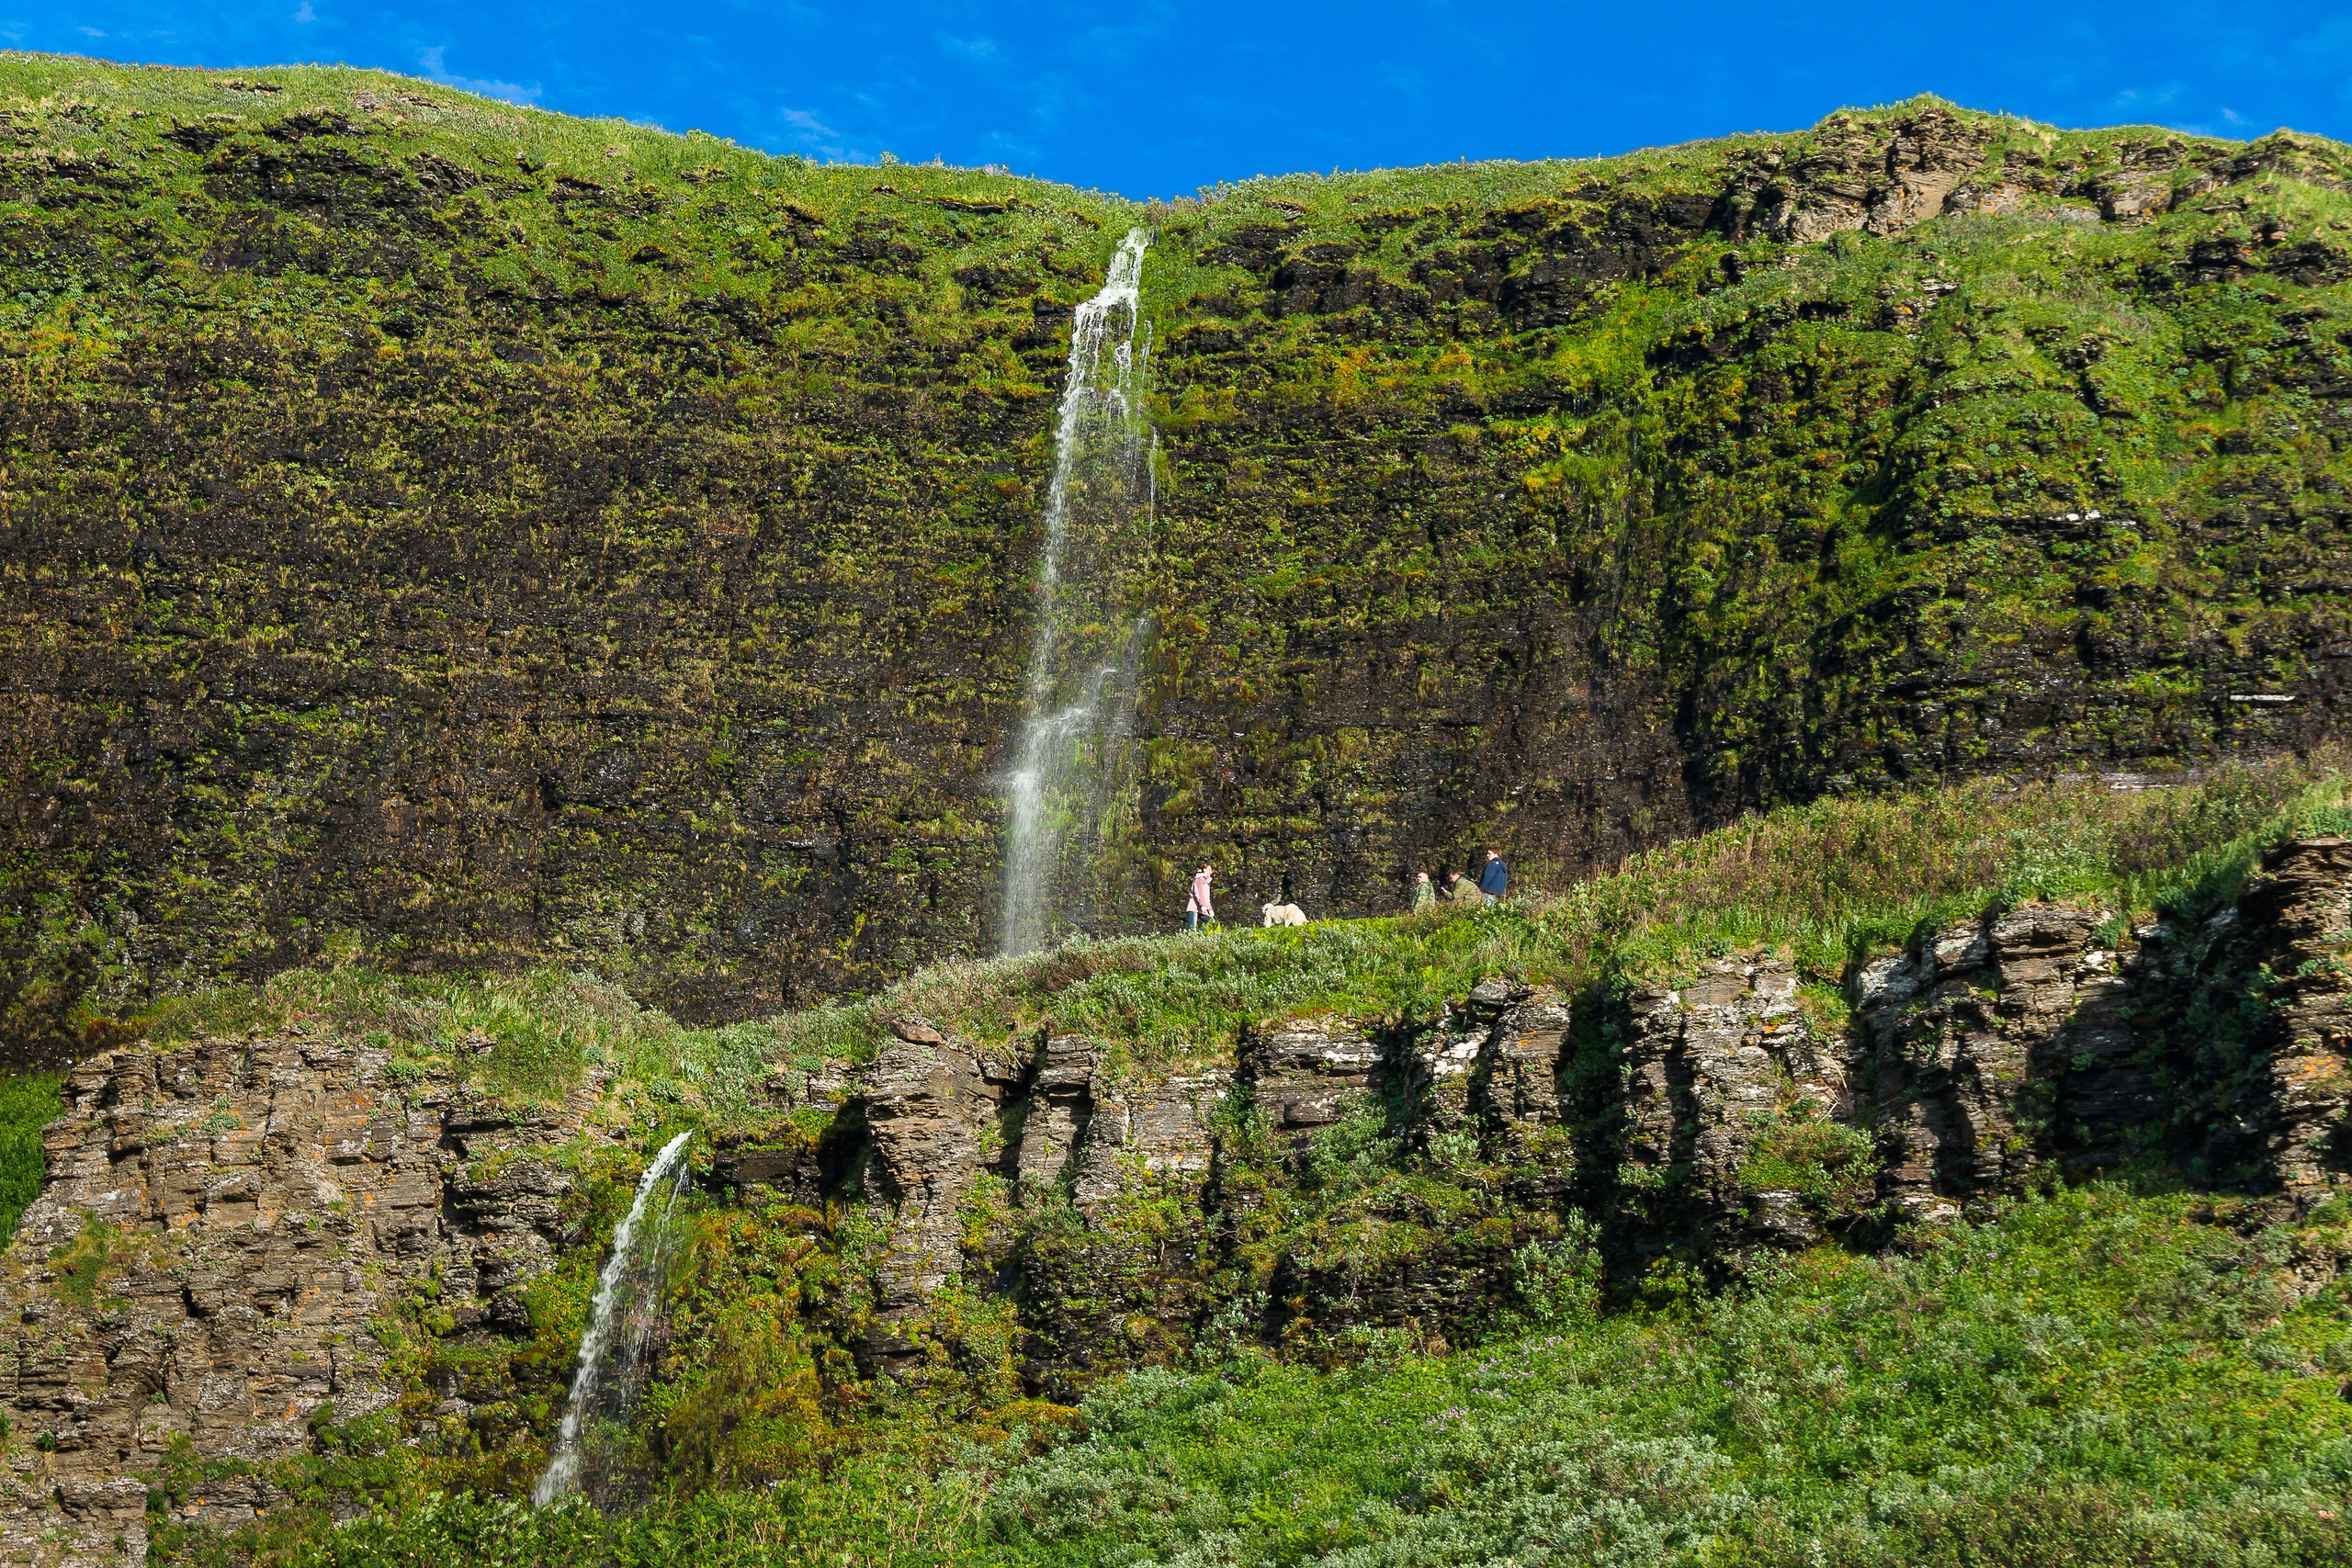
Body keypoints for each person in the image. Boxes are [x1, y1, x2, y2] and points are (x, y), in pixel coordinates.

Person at [1184, 863, 1216, 931]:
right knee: (1193, 928)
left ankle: (1200, 934)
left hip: (1202, 908)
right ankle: (1193, 936)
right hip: (1194, 907)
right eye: (1209, 870)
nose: (1211, 872)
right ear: (1204, 870)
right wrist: (1203, 906)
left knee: (1210, 921)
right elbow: (1199, 893)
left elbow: (1207, 897)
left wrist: (1210, 909)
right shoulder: (1199, 879)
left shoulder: (1206, 881)